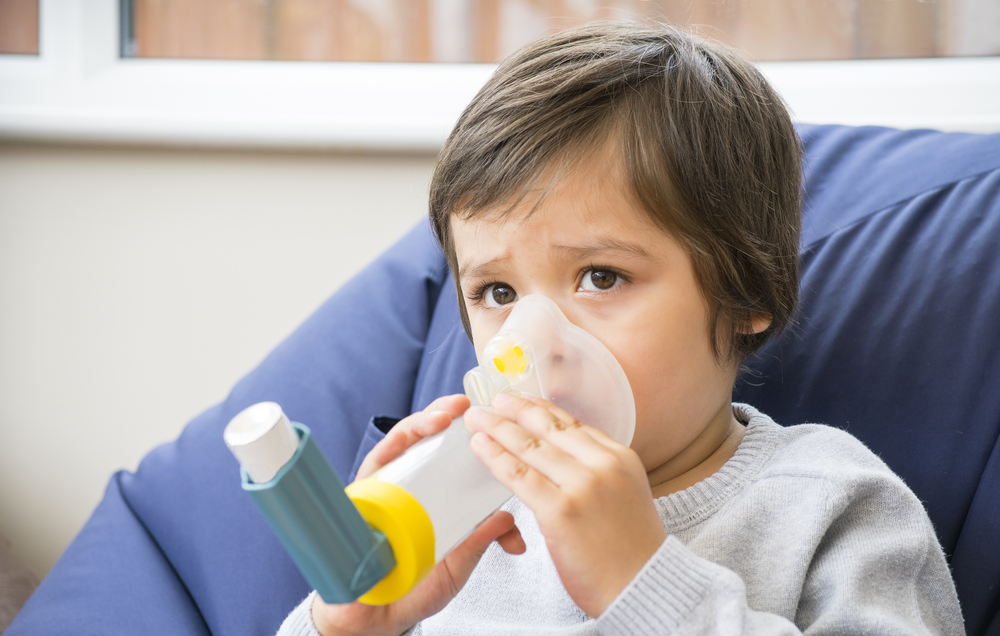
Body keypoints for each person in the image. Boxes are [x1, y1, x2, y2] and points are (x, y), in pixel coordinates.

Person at [278, 23, 963, 636]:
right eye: (497, 292)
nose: (531, 343)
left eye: (601, 277)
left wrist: (644, 582)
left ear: (747, 288)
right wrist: (349, 626)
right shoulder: (470, 524)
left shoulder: (828, 503)